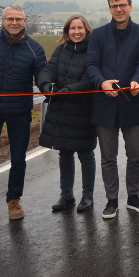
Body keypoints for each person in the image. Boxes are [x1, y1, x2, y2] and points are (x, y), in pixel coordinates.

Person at [0, 5, 47, 224]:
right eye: (10, 19)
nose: (14, 22)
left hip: (19, 112)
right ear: (2, 20)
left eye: (18, 19)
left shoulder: (35, 49)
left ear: (25, 20)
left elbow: (41, 77)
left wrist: (49, 88)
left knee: (18, 158)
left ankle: (14, 200)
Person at [86, 0, 139, 219]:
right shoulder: (98, 35)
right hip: (105, 105)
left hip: (132, 102)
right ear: (110, 9)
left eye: (123, 5)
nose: (119, 9)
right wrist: (101, 82)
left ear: (131, 7)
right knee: (108, 158)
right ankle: (111, 200)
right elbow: (92, 64)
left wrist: (138, 80)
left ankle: (133, 197)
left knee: (135, 156)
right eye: (114, 6)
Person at [37, 15, 98, 213]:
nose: (76, 32)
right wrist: (46, 85)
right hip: (61, 110)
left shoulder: (93, 51)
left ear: (86, 30)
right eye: (72, 28)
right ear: (67, 31)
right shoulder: (61, 49)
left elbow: (90, 79)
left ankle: (87, 195)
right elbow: (48, 70)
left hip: (83, 110)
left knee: (85, 154)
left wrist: (70, 90)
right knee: (65, 153)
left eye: (80, 28)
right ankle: (66, 195)